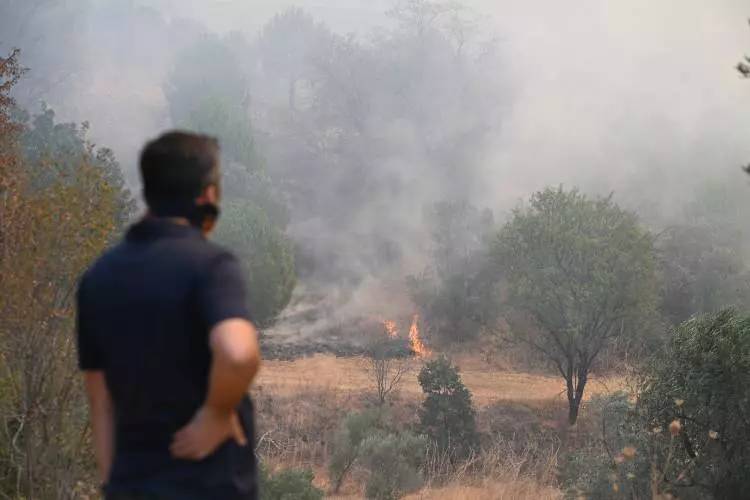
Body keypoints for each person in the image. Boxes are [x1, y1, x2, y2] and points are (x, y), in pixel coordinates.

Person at [76, 131, 261, 499]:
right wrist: (214, 413)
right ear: (207, 195)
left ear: (150, 190)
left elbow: (102, 403)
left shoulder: (97, 278)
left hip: (133, 485)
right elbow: (239, 353)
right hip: (207, 486)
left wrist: (116, 486)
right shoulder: (211, 266)